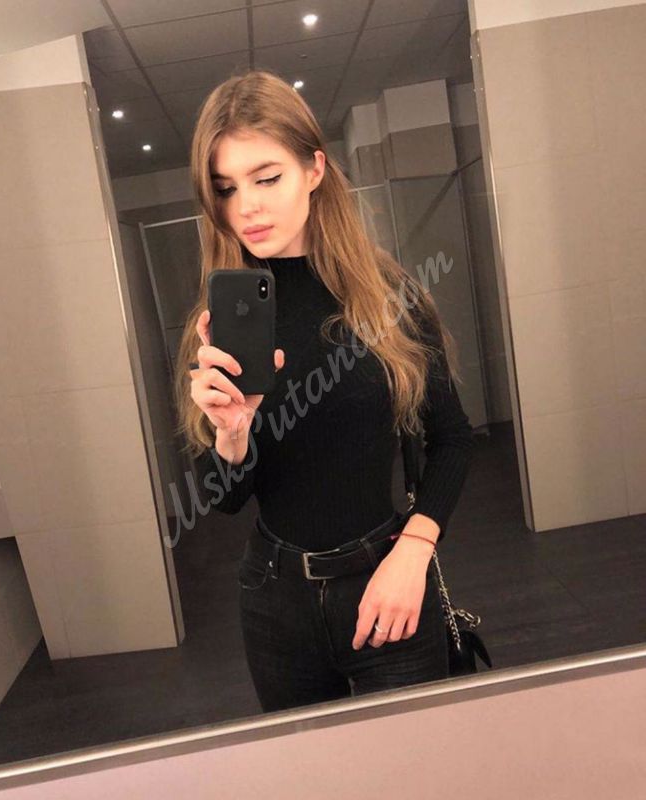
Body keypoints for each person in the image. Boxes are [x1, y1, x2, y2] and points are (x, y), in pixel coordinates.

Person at [173, 70, 474, 713]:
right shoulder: (221, 323)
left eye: (266, 177)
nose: (246, 207)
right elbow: (225, 500)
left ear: (314, 169)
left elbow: (452, 439)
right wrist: (232, 435)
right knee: (306, 764)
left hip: (387, 579)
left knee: (413, 758)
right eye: (226, 188)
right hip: (274, 599)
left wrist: (414, 552)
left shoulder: (389, 299)